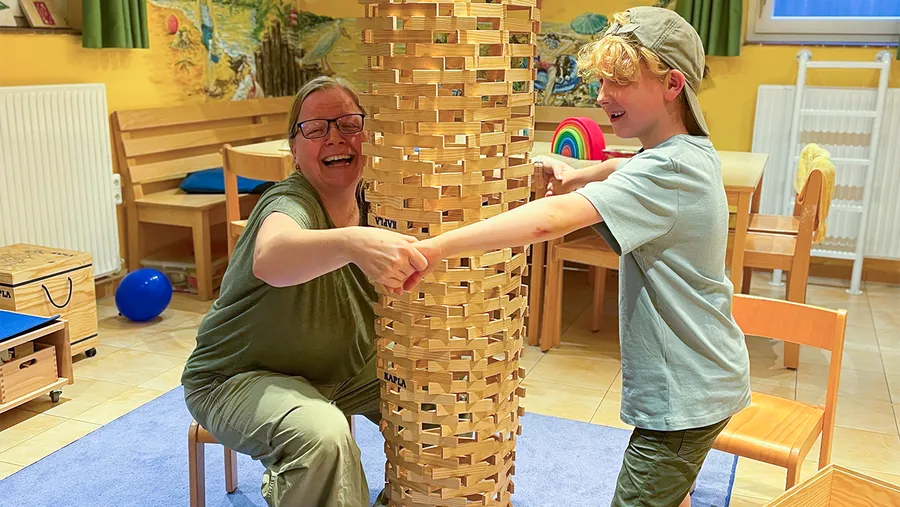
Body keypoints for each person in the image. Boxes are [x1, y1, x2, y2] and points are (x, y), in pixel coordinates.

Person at [403, 7, 751, 507]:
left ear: (673, 84)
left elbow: (551, 220)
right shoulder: (690, 151)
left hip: (685, 395)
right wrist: (582, 173)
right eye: (602, 80)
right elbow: (631, 167)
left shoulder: (668, 171)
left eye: (621, 82)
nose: (603, 95)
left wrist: (437, 247)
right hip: (706, 375)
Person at [181, 76, 425, 507]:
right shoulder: (288, 202)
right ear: (294, 149)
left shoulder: (383, 205)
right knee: (323, 437)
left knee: (434, 404)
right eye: (315, 129)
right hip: (234, 378)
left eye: (349, 124)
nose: (335, 137)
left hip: (344, 375)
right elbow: (273, 256)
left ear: (369, 135)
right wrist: (352, 243)